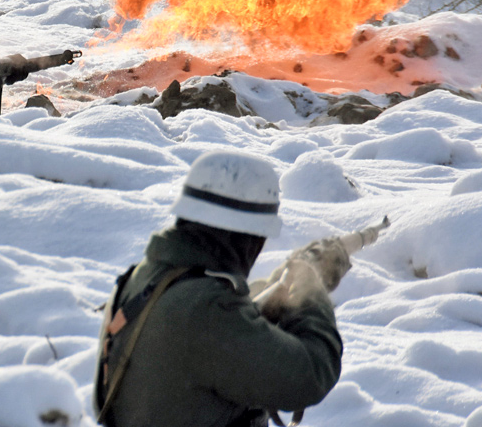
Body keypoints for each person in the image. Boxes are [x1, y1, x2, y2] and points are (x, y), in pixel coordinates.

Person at [94, 150, 343, 427]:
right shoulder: (207, 311)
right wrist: (312, 291)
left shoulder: (144, 278)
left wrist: (278, 288)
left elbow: (206, 340)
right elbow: (310, 377)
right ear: (245, 237)